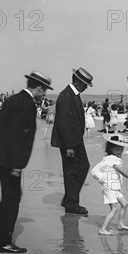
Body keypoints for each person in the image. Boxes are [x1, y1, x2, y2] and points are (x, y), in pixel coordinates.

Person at [0, 71, 53, 253]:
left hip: (2, 156)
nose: (45, 94)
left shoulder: (14, 99)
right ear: (37, 87)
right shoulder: (26, 104)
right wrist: (16, 164)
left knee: (10, 195)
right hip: (10, 160)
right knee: (13, 197)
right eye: (44, 89)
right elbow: (17, 136)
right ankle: (3, 241)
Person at [51, 67, 94, 215]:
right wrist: (69, 146)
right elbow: (63, 123)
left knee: (83, 167)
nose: (85, 88)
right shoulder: (66, 96)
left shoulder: (73, 94)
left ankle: (69, 198)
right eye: (84, 85)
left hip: (75, 139)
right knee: (71, 171)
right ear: (77, 82)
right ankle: (71, 203)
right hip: (69, 141)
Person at [91, 134, 128, 235]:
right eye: (117, 148)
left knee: (125, 204)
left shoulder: (111, 157)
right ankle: (103, 229)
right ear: (111, 148)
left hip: (114, 187)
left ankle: (120, 224)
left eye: (121, 148)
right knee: (114, 208)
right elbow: (120, 171)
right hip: (110, 187)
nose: (119, 150)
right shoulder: (112, 159)